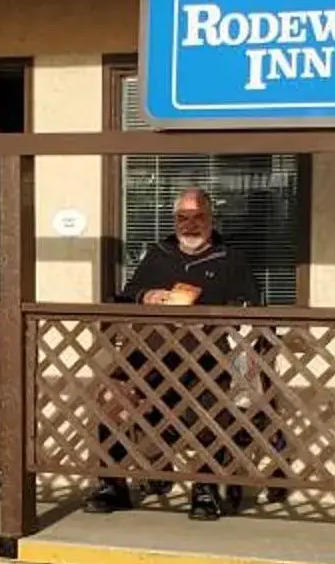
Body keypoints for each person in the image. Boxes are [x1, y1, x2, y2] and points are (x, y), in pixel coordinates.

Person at [89, 187, 256, 521]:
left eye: (197, 218)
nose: (189, 225)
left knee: (211, 406)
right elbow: (125, 296)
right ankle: (113, 485)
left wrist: (208, 314)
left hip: (206, 361)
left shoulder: (230, 259)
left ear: (211, 219)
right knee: (110, 396)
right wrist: (147, 295)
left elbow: (249, 305)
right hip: (148, 359)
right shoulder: (158, 254)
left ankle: (205, 490)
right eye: (182, 218)